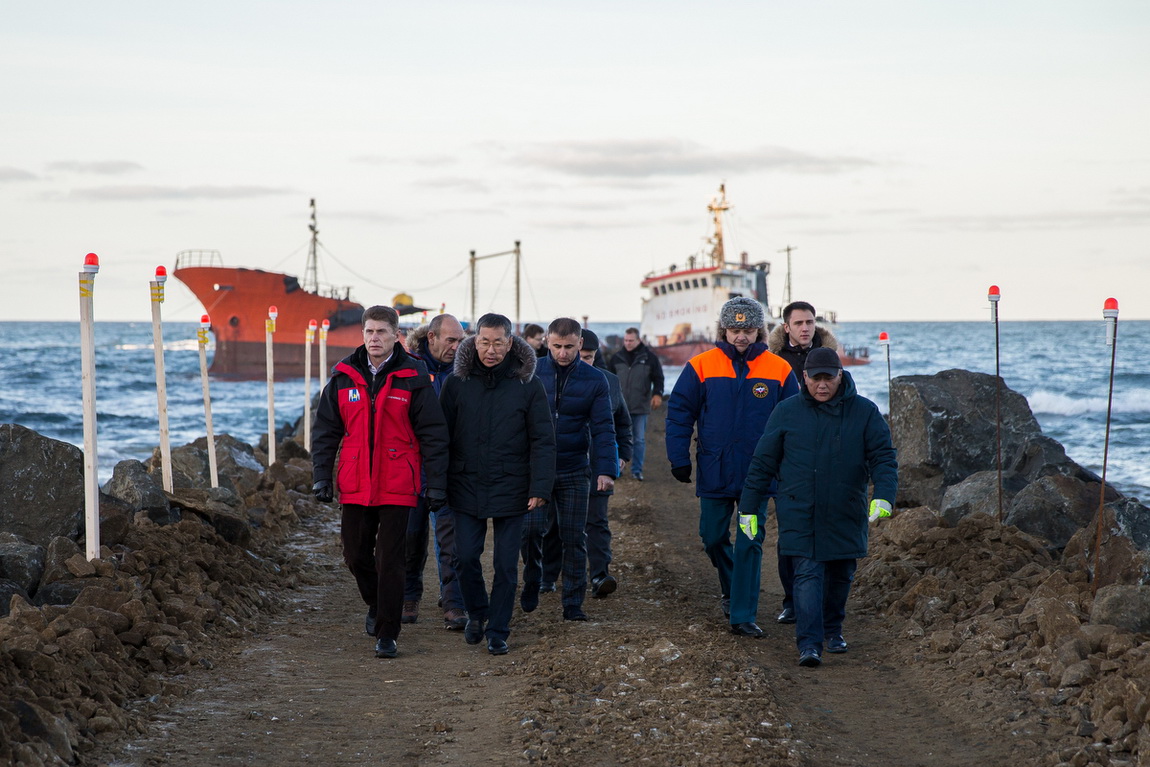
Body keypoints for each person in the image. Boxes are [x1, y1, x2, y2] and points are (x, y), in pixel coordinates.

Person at [738, 346, 897, 667]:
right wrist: (748, 508)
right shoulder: (786, 411)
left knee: (841, 574)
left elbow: (883, 457)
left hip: (846, 508)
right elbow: (762, 462)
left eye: (829, 378)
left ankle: (833, 630)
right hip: (799, 508)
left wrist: (884, 495)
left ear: (841, 376)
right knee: (807, 574)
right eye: (815, 378)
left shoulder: (865, 412)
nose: (822, 385)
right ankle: (809, 644)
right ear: (804, 378)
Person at [312, 305, 449, 659]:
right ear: (363, 335)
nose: (375, 338)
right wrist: (321, 477)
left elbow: (433, 434)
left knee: (391, 560)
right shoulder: (343, 376)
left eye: (382, 332)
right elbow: (326, 431)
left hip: (398, 481)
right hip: (355, 480)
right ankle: (377, 604)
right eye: (369, 332)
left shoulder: (414, 375)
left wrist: (435, 484)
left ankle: (388, 633)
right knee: (355, 554)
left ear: (395, 336)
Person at [666, 296, 799, 637]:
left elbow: (794, 423)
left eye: (748, 329)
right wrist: (678, 457)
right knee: (711, 537)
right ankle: (731, 585)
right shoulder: (701, 366)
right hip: (715, 467)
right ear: (724, 329)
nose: (741, 336)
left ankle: (742, 614)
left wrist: (790, 465)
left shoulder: (779, 369)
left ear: (760, 330)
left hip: (759, 473)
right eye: (735, 329)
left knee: (750, 541)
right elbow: (680, 413)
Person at [439, 313, 555, 655]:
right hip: (465, 484)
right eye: (484, 342)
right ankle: (477, 614)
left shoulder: (527, 383)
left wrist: (540, 487)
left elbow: (543, 439)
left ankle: (499, 629)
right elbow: (440, 436)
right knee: (464, 557)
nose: (490, 350)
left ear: (510, 342)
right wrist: (437, 482)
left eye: (498, 343)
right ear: (474, 341)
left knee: (505, 564)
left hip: (513, 485)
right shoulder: (456, 382)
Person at [521, 317, 617, 621]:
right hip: (536, 469)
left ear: (581, 344)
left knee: (574, 537)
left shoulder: (595, 379)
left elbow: (604, 428)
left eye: (569, 347)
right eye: (557, 346)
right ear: (547, 342)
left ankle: (573, 603)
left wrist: (606, 469)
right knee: (530, 530)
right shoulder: (530, 372)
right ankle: (534, 577)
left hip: (576, 467)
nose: (563, 353)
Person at [765, 301, 840, 626]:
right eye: (799, 323)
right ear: (786, 327)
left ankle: (823, 602)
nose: (805, 327)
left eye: (810, 321)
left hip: (827, 454)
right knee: (791, 533)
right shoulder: (775, 361)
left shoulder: (830, 358)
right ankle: (792, 600)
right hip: (790, 454)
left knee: (828, 529)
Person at [402, 314, 468, 630]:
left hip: (450, 470)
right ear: (431, 337)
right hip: (413, 468)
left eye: (461, 340)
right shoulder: (409, 368)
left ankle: (454, 603)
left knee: (451, 540)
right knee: (410, 539)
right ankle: (408, 597)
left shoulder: (467, 373)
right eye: (450, 340)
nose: (457, 347)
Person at [607, 327, 664, 481]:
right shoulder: (616, 358)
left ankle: (637, 470)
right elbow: (607, 380)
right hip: (619, 406)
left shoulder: (650, 358)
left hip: (640, 406)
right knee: (617, 438)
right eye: (626, 340)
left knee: (638, 439)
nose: (628, 343)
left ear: (638, 340)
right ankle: (618, 468)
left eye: (631, 340)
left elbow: (658, 378)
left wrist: (657, 394)